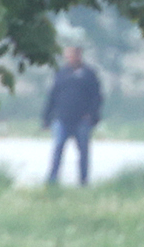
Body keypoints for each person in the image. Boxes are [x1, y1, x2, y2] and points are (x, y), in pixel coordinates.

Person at [42, 43, 106, 185]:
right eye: (67, 55)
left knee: (83, 151)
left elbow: (97, 97)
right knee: (58, 148)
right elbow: (53, 95)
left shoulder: (89, 74)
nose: (70, 58)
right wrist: (46, 118)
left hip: (82, 120)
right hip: (62, 118)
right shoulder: (61, 73)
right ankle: (52, 180)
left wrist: (92, 115)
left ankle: (83, 181)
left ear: (79, 55)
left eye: (73, 55)